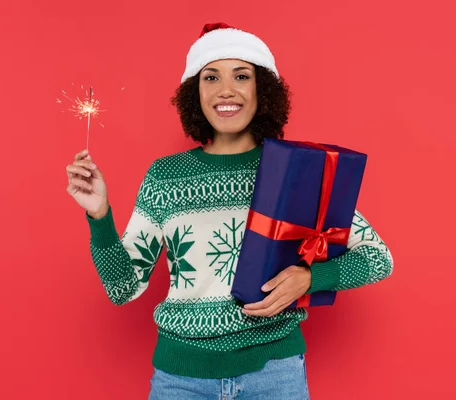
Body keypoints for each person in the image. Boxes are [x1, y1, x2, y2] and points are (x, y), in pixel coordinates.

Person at [65, 22, 394, 400]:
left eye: (241, 75)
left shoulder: (295, 173)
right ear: (195, 92)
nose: (226, 90)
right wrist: (100, 216)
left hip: (275, 376)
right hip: (180, 380)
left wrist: (310, 279)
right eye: (211, 77)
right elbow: (122, 287)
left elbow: (378, 258)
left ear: (262, 89)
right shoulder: (165, 176)